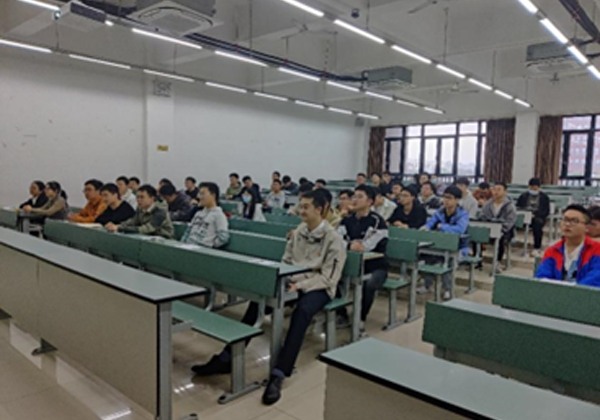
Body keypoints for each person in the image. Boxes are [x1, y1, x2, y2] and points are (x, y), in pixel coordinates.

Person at [192, 190, 346, 405]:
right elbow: (286, 260)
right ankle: (226, 358)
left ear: (319, 209)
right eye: (300, 206)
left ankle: (279, 372)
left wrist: (300, 285)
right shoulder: (299, 231)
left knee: (302, 312)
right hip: (292, 281)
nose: (300, 210)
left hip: (319, 287)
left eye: (306, 207)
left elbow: (329, 278)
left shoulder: (333, 239)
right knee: (258, 302)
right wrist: (288, 280)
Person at [337, 185, 388, 331]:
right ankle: (342, 314)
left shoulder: (378, 221)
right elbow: (337, 239)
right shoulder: (347, 220)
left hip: (375, 265)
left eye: (360, 197)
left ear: (370, 202)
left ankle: (360, 317)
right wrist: (349, 245)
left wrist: (353, 245)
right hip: (350, 262)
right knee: (329, 275)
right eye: (354, 196)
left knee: (369, 284)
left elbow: (367, 246)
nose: (354, 199)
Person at [418, 186, 470, 299]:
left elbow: (460, 230)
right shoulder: (440, 211)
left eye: (449, 198)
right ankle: (427, 285)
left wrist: (442, 226)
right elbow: (431, 222)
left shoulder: (463, 214)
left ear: (457, 200)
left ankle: (448, 289)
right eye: (445, 197)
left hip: (458, 248)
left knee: (449, 262)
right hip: (439, 246)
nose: (446, 200)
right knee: (425, 258)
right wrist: (426, 227)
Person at [535, 205, 600, 287]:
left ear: (586, 227)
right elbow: (542, 278)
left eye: (575, 221)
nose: (567, 224)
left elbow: (595, 279)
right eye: (565, 220)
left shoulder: (597, 250)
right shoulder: (552, 251)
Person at [106, 185, 174, 239]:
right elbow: (133, 221)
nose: (138, 200)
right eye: (137, 197)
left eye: (142, 197)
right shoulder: (140, 208)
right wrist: (117, 225)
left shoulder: (160, 211)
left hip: (165, 240)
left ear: (152, 198)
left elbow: (147, 229)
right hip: (148, 238)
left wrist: (120, 228)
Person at [480, 182, 517, 272]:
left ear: (505, 192)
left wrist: (501, 230)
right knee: (476, 237)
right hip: (489, 229)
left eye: (499, 190)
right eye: (494, 189)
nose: (496, 192)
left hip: (505, 231)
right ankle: (478, 260)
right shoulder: (488, 204)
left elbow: (510, 221)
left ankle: (497, 262)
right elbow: (482, 216)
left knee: (501, 239)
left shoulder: (510, 206)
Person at [181, 182, 230, 248]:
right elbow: (188, 232)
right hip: (188, 247)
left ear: (213, 196)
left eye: (202, 194)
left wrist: (209, 245)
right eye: (199, 193)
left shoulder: (219, 215)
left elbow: (223, 238)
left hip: (202, 250)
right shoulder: (198, 213)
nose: (199, 196)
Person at [517, 178, 550, 257]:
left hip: (538, 217)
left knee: (538, 224)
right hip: (524, 216)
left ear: (539, 188)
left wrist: (536, 215)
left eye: (535, 189)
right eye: (531, 188)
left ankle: (537, 247)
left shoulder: (544, 197)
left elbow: (546, 211)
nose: (533, 190)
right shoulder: (523, 196)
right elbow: (518, 207)